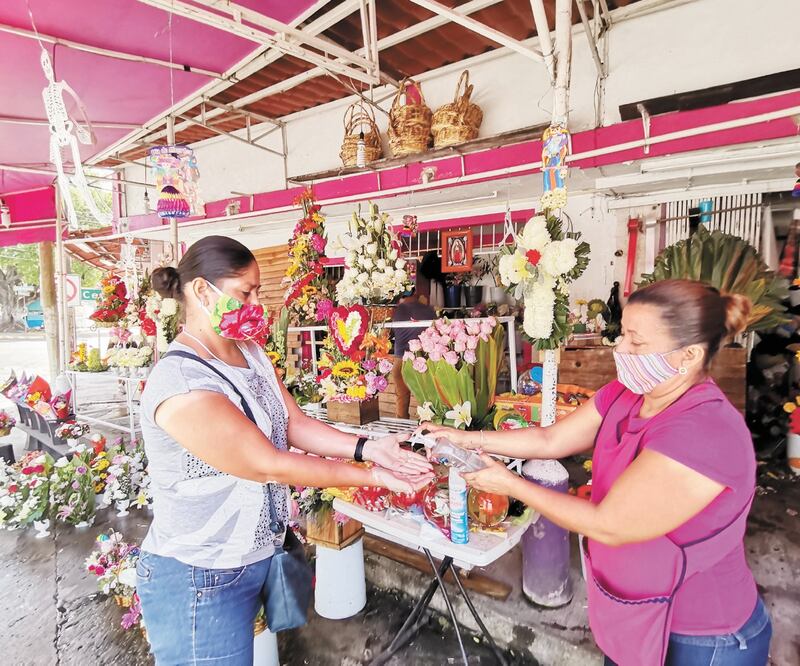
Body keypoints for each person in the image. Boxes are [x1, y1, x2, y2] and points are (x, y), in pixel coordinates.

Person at [420, 279, 771, 666]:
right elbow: (549, 440)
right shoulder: (626, 394)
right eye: (622, 335)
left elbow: (609, 524)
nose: (619, 348)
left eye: (637, 343)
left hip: (702, 635)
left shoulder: (705, 429)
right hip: (634, 616)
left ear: (687, 355)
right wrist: (466, 439)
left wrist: (509, 483)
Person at [137, 236, 433, 665]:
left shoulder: (252, 354)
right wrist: (372, 477)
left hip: (254, 555)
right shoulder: (180, 381)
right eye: (246, 292)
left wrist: (371, 449)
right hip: (198, 573)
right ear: (202, 291)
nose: (257, 303)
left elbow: (293, 424)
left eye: (258, 291)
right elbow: (268, 464)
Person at [391, 251, 437, 418]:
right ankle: (425, 429)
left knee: (402, 399)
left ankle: (401, 431)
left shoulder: (397, 311)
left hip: (399, 361)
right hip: (420, 360)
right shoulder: (427, 310)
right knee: (425, 399)